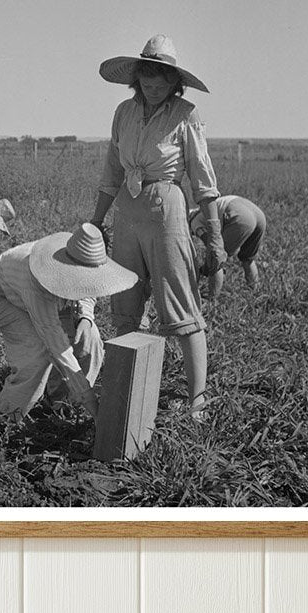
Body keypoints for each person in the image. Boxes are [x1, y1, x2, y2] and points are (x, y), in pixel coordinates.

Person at [88, 34, 226, 420]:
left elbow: (203, 182)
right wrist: (96, 221)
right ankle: (126, 387)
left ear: (173, 82)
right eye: (146, 81)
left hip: (166, 209)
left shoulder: (186, 115)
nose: (152, 88)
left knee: (180, 306)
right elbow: (111, 172)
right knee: (125, 303)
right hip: (127, 211)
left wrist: (214, 238)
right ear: (136, 79)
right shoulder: (123, 112)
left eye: (160, 82)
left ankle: (197, 400)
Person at [0, 222, 138, 419]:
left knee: (91, 339)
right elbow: (55, 343)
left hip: (49, 300)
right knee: (36, 353)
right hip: (4, 299)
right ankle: (5, 416)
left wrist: (86, 317)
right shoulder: (34, 277)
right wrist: (89, 398)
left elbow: (88, 285)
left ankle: (63, 404)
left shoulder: (78, 255)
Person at [190, 195, 267, 297]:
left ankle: (212, 299)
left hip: (239, 214)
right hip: (258, 214)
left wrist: (204, 269)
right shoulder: (207, 209)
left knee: (215, 258)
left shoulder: (194, 222)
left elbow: (213, 247)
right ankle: (255, 294)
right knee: (247, 259)